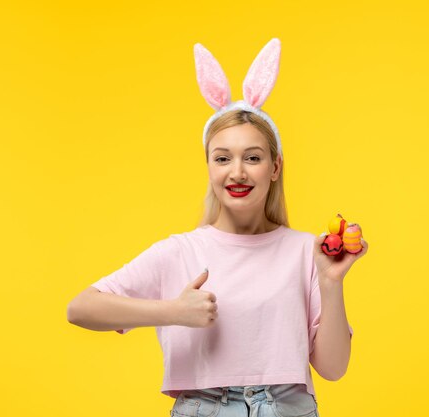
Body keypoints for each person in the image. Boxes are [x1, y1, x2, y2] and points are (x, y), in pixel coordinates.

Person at [67, 38, 368, 417]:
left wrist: (331, 282)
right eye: (222, 158)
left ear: (275, 168)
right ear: (209, 166)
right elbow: (80, 308)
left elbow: (333, 369)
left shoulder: (306, 251)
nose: (237, 172)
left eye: (253, 158)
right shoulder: (180, 251)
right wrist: (173, 311)